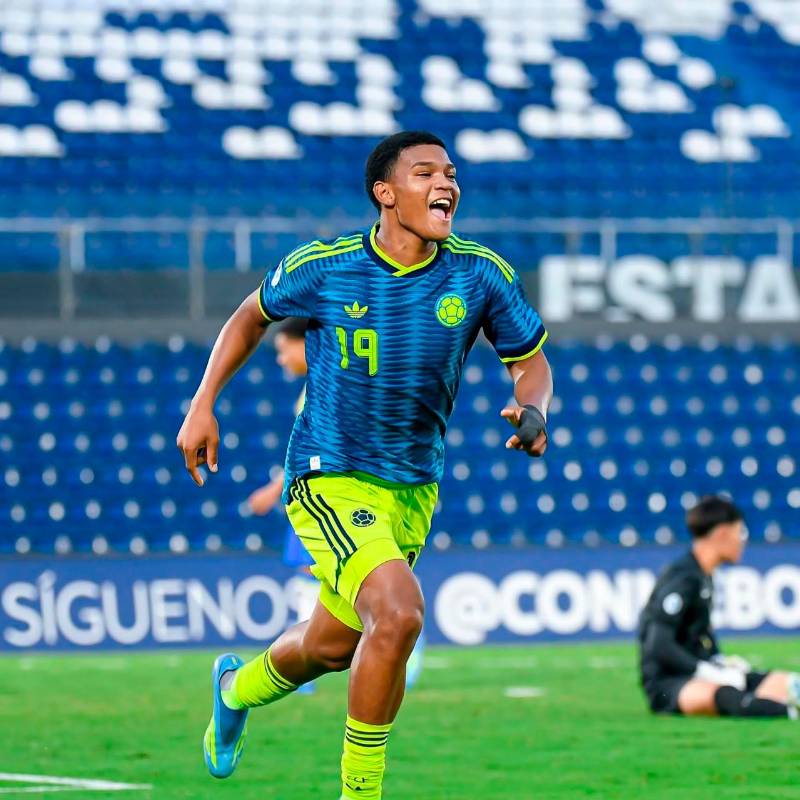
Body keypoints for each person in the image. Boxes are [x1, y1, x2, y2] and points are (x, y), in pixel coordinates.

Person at [176, 130, 553, 799]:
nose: (446, 184)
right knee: (400, 614)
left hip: (412, 488)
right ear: (385, 193)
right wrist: (203, 402)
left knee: (332, 646)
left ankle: (235, 689)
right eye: (425, 172)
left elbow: (530, 364)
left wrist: (534, 410)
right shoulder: (327, 267)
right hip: (328, 472)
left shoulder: (480, 274)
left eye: (452, 174)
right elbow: (248, 316)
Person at [247, 317, 427, 694]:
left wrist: (273, 489)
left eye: (283, 351)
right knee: (354, 590)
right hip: (341, 496)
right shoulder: (327, 384)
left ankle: (398, 657)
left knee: (369, 591)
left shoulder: (330, 386)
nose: (281, 360)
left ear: (304, 344)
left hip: (345, 497)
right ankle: (292, 673)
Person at [638, 495, 800, 718]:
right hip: (670, 684)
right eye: (739, 532)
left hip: (700, 673)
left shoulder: (704, 575)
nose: (742, 540)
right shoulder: (683, 578)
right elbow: (658, 645)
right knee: (727, 695)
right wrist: (707, 671)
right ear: (722, 533)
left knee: (789, 683)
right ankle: (789, 713)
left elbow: (699, 634)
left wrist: (720, 662)